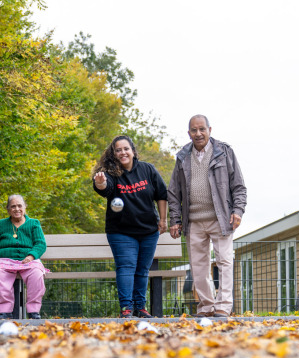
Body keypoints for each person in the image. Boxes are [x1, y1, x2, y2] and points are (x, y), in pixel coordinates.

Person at [167, 115, 247, 318]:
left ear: (210, 129)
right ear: (189, 133)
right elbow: (174, 192)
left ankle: (223, 306)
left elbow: (238, 186)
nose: (198, 133)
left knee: (225, 261)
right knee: (198, 267)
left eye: (202, 129)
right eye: (194, 130)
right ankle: (206, 306)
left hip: (221, 218)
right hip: (193, 220)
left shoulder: (224, 152)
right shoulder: (182, 156)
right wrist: (175, 220)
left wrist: (237, 210)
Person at [93, 135, 168, 318]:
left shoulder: (147, 169)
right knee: (126, 267)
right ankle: (126, 308)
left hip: (149, 231)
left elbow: (162, 194)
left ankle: (140, 307)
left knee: (142, 270)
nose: (122, 152)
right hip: (121, 232)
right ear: (114, 154)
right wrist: (100, 183)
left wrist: (163, 220)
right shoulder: (110, 173)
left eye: (126, 149)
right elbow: (105, 188)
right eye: (118, 150)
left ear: (133, 151)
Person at [0, 195, 47, 320]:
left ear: (25, 207)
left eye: (19, 206)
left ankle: (33, 311)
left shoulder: (34, 223)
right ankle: (5, 311)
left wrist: (31, 256)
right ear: (8, 209)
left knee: (37, 275)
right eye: (13, 206)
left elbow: (40, 244)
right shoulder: (1, 224)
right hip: (5, 261)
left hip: (28, 261)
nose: (17, 209)